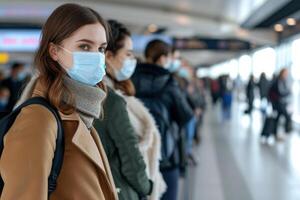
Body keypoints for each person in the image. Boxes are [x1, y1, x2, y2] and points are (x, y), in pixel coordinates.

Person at [0, 4, 118, 199]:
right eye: (84, 46)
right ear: (54, 51)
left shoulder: (81, 113)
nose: (97, 57)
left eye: (101, 49)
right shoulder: (40, 118)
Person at [94, 20, 160, 200]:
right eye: (128, 54)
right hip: (120, 189)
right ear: (108, 56)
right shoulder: (112, 101)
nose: (133, 60)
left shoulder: (102, 93)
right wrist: (147, 186)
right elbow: (130, 156)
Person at [131, 39, 193, 200]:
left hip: (135, 155)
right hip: (166, 156)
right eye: (170, 57)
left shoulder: (130, 79)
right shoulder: (170, 82)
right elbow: (186, 115)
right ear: (162, 58)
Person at [269, 68, 292, 140]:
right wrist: (288, 92)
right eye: (285, 73)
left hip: (280, 102)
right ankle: (285, 133)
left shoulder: (281, 80)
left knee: (277, 118)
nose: (286, 75)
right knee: (287, 117)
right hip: (278, 103)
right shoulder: (279, 80)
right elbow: (281, 92)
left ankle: (275, 133)